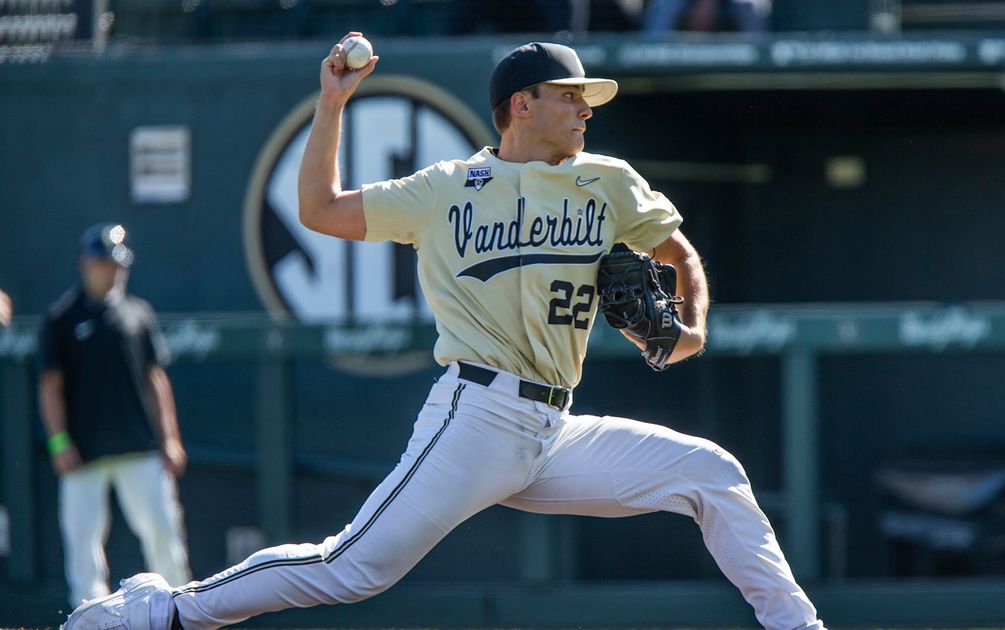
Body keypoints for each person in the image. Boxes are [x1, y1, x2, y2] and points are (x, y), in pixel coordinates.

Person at [63, 38, 824, 630]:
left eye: (588, 99)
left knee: (711, 473)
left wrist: (689, 324)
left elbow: (676, 248)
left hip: (552, 431)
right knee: (350, 569)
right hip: (478, 415)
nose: (586, 108)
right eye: (570, 96)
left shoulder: (609, 180)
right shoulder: (444, 191)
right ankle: (160, 611)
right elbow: (322, 210)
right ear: (521, 105)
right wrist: (332, 106)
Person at [41, 223, 191, 608]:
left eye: (116, 263)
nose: (111, 270)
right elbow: (50, 387)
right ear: (85, 263)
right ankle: (89, 616)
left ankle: (177, 611)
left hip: (140, 449)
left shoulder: (138, 314)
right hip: (84, 454)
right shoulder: (61, 319)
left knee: (163, 537)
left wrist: (170, 438)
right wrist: (59, 442)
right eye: (103, 262)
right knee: (82, 548)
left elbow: (156, 379)